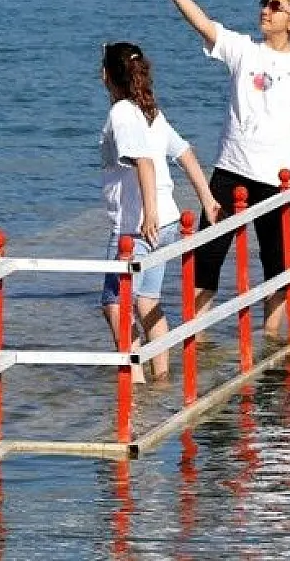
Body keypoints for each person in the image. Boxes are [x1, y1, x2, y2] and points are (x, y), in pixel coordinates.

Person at [159, 0, 290, 339]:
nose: (265, 11)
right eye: (264, 3)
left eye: (275, 7)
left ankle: (270, 339)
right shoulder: (243, 50)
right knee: (208, 257)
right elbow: (203, 24)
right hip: (229, 171)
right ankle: (198, 339)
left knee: (275, 262)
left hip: (276, 180)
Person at [98, 41, 212, 383]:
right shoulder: (149, 110)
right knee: (147, 301)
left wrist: (147, 214)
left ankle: (134, 380)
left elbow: (144, 163)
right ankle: (162, 378)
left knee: (114, 304)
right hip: (168, 223)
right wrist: (207, 200)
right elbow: (185, 152)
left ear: (106, 76)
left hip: (136, 229)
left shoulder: (121, 112)